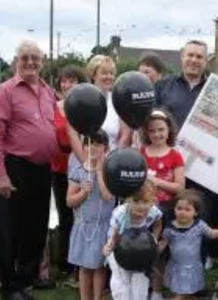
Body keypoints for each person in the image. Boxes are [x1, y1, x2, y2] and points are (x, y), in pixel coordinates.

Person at [0, 40, 57, 300]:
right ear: (16, 60)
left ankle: (28, 277)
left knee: (36, 226)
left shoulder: (48, 91)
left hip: (42, 168)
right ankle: (10, 286)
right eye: (25, 57)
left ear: (43, 61)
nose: (30, 62)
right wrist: (0, 174)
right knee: (11, 228)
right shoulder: (5, 92)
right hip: (15, 167)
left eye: (35, 58)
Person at [155, 40, 218, 270]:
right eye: (190, 55)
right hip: (171, 162)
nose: (194, 60)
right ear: (182, 57)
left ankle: (201, 258)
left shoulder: (216, 89)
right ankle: (168, 260)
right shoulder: (164, 85)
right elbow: (153, 118)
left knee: (204, 211)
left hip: (205, 164)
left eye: (199, 57)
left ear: (206, 61)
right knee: (172, 211)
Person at [139, 109, 185, 300]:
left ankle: (157, 291)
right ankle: (140, 289)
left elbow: (180, 187)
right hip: (142, 210)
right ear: (146, 133)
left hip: (165, 210)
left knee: (160, 252)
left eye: (161, 129)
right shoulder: (141, 153)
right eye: (152, 131)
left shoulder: (175, 155)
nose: (157, 134)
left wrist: (157, 182)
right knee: (142, 250)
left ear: (169, 130)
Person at [66, 130, 115, 300]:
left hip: (102, 227)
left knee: (99, 266)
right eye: (89, 144)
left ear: (105, 147)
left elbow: (108, 197)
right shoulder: (78, 171)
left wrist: (100, 172)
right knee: (85, 267)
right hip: (84, 226)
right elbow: (69, 201)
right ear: (83, 146)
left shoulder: (110, 172)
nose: (93, 148)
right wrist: (82, 193)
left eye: (98, 144)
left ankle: (97, 297)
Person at [51, 65, 87, 282]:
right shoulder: (53, 107)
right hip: (58, 170)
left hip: (81, 169)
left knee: (82, 217)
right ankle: (65, 262)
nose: (67, 85)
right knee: (66, 217)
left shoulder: (85, 106)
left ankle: (81, 262)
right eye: (64, 81)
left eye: (72, 80)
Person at [68, 55, 132, 170]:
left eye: (111, 73)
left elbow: (125, 134)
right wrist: (87, 164)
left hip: (110, 166)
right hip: (82, 165)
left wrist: (113, 161)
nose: (109, 77)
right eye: (104, 73)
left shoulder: (118, 101)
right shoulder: (80, 98)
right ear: (93, 74)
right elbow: (72, 135)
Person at [159, 189, 218, 299]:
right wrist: (157, 249)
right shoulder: (170, 227)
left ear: (195, 212)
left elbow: (211, 233)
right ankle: (183, 297)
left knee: (187, 286)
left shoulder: (199, 225)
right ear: (174, 209)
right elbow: (164, 241)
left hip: (192, 264)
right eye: (179, 208)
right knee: (178, 285)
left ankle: (181, 297)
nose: (182, 212)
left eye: (187, 209)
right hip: (176, 264)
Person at [103, 180, 163, 300]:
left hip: (140, 248)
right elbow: (114, 234)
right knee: (122, 278)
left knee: (140, 277)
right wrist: (109, 247)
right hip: (119, 247)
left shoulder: (153, 211)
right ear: (127, 199)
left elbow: (158, 224)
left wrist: (154, 239)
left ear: (152, 201)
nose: (141, 206)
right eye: (136, 201)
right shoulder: (121, 213)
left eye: (145, 201)